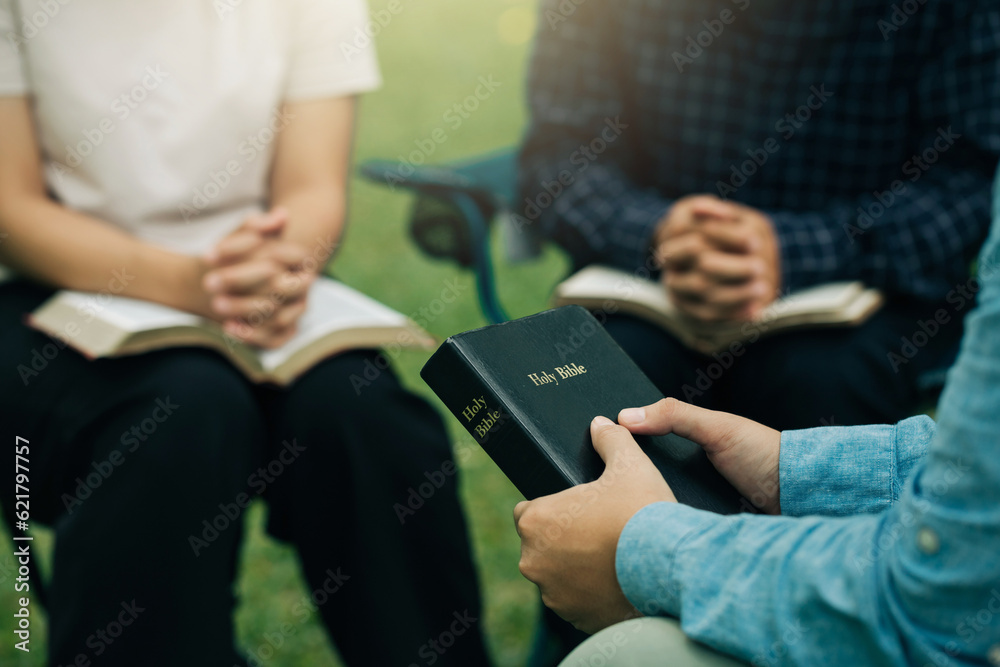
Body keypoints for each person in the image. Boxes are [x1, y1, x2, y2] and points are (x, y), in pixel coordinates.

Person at [0, 2, 490, 665]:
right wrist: (189, 284)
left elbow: (312, 187)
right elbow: (14, 210)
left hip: (259, 279)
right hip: (65, 289)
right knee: (179, 413)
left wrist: (282, 269)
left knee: (365, 419)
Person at [513, 169, 1000, 666]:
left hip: (857, 300)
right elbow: (979, 490)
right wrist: (788, 469)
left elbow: (931, 609)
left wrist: (641, 552)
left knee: (621, 658)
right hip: (654, 294)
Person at [518, 0, 1000, 431]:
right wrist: (660, 234)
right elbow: (558, 156)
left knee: (816, 386)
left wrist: (794, 250)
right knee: (604, 379)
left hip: (869, 294)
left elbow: (969, 182)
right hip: (645, 285)